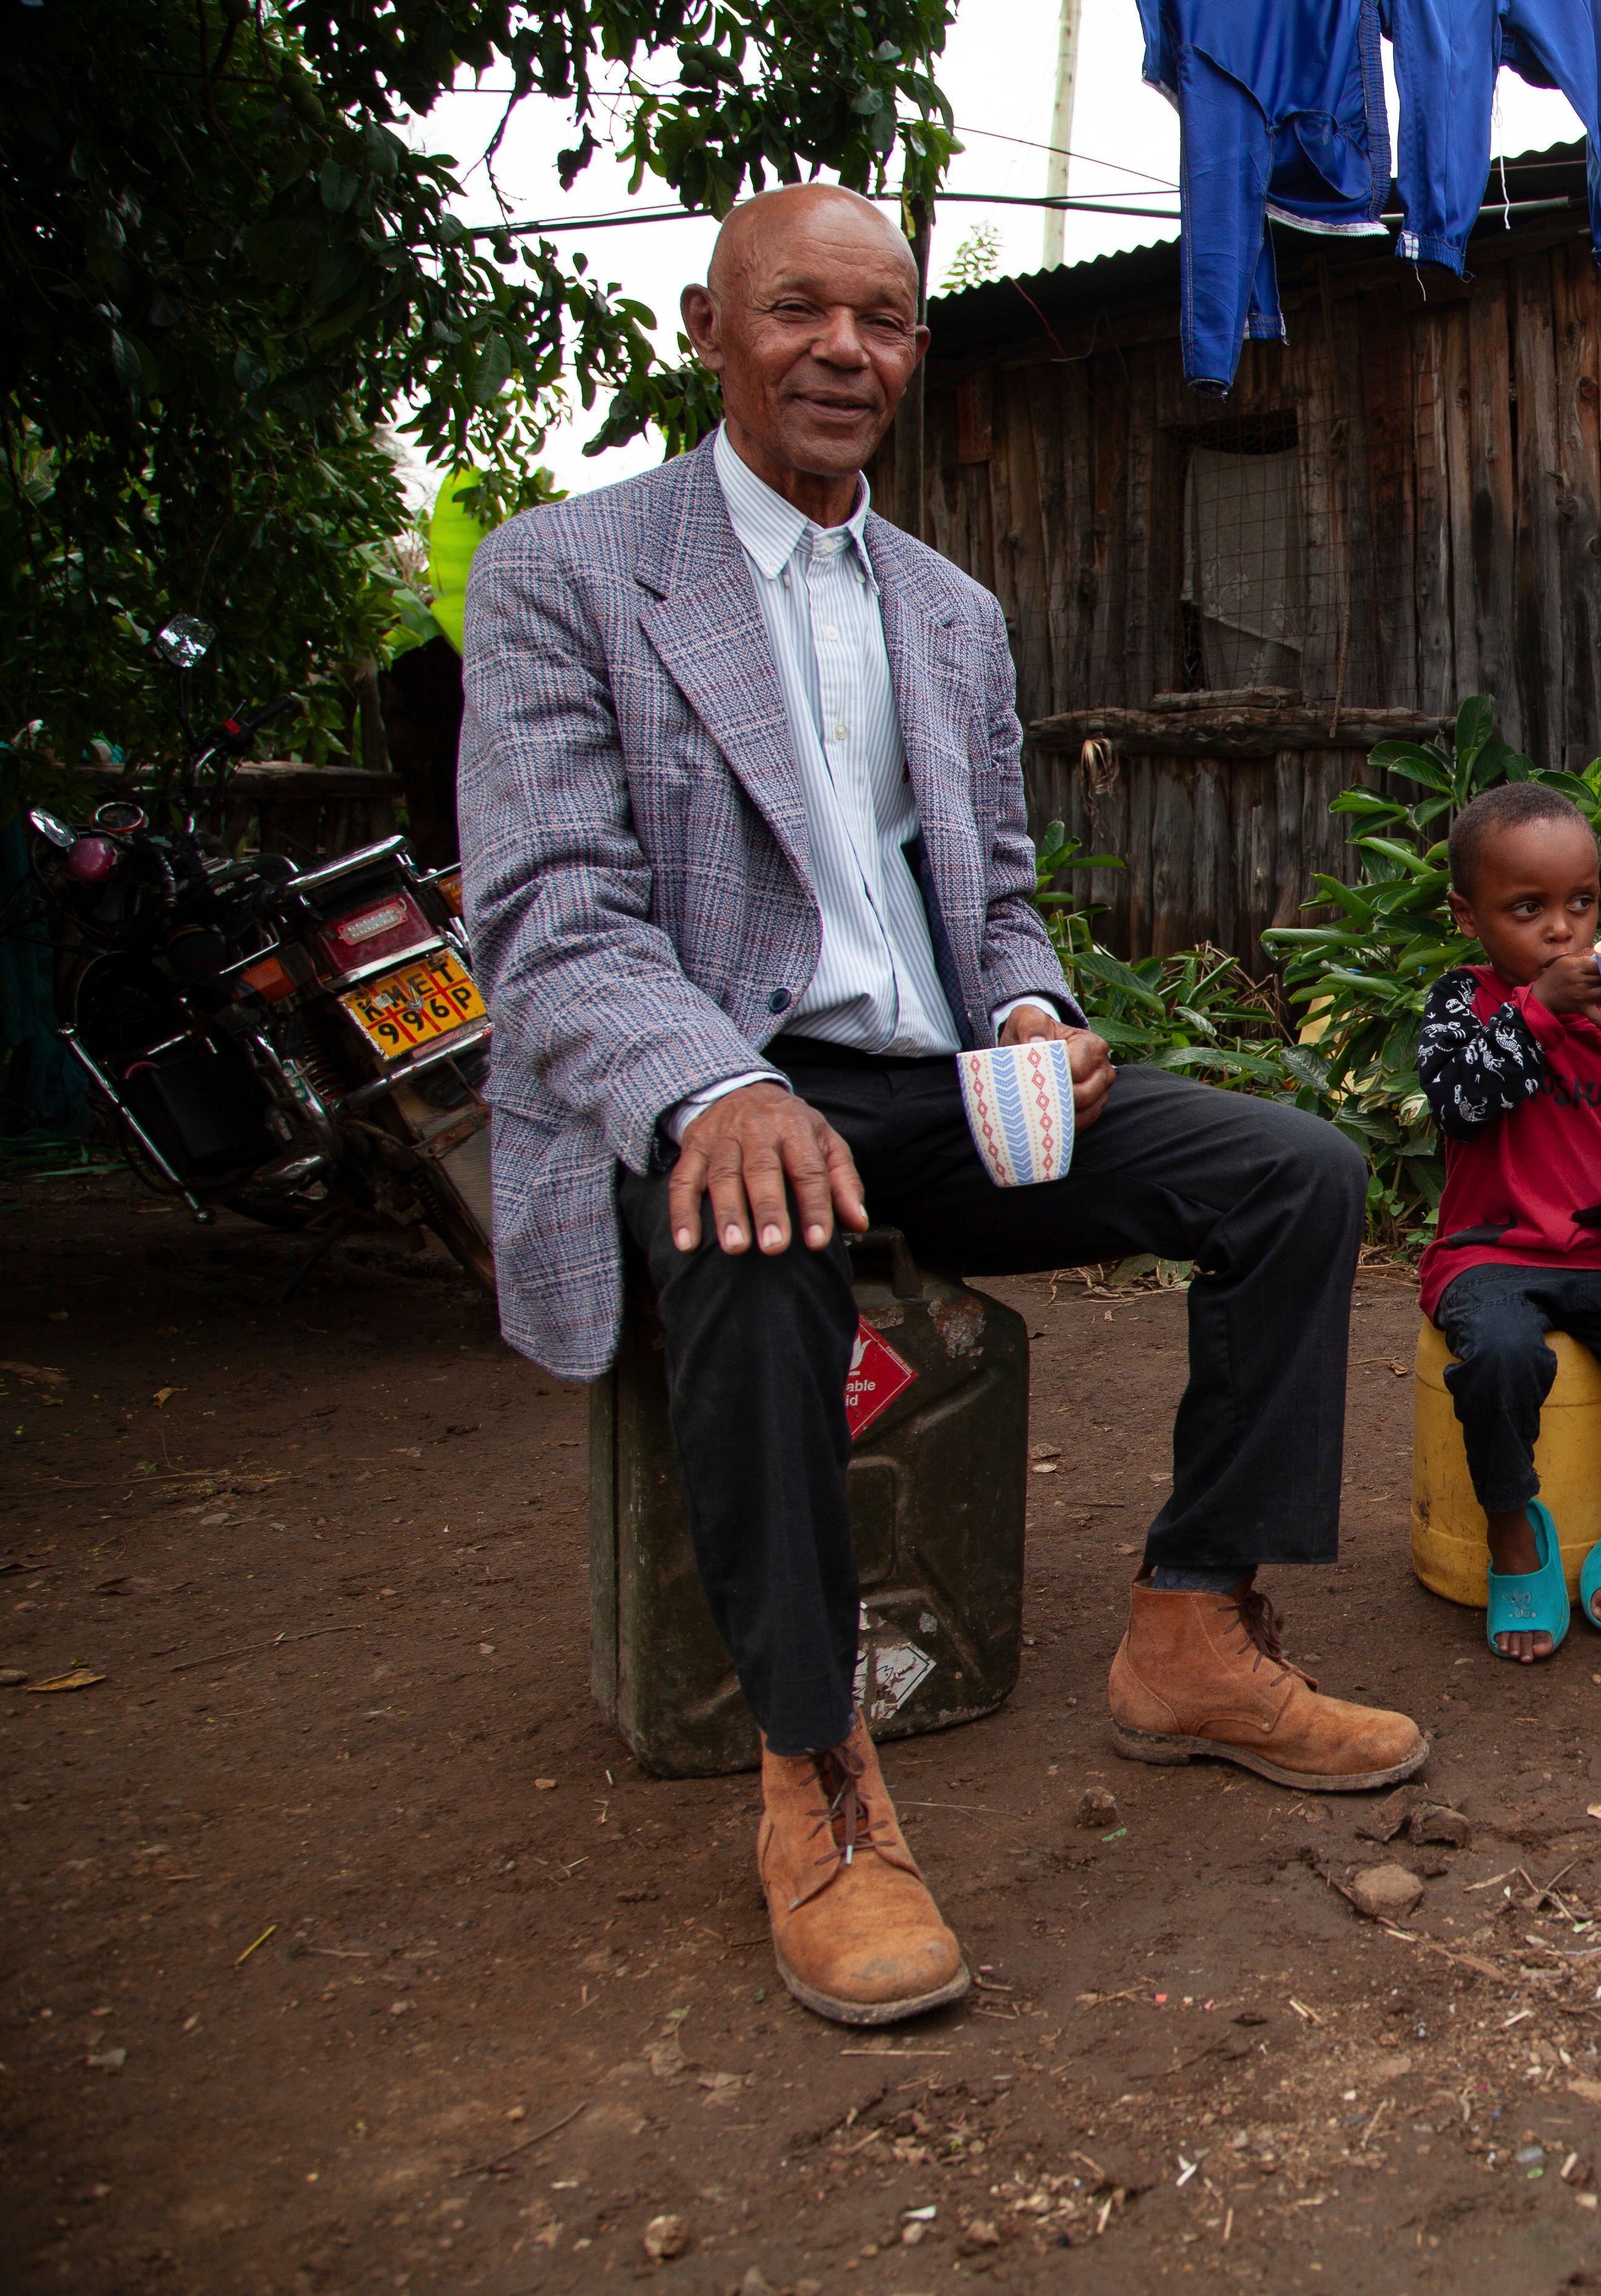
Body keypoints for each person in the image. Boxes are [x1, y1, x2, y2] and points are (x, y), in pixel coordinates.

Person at [458, 186, 1426, 2031]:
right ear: (707, 327)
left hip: (931, 1083)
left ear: (914, 348)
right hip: (716, 1071)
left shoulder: (950, 609)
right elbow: (549, 914)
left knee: (1294, 1174)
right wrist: (717, 1093)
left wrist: (1038, 1010)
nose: (844, 349)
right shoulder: (568, 573)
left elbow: (986, 893)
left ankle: (1193, 1631)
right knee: (759, 1220)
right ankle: (818, 1776)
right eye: (798, 311)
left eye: (884, 319)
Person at [1415, 782, 1601, 1662]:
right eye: (1529, 908)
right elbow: (1460, 1103)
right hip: (1492, 1253)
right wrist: (1541, 1011)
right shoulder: (1461, 1003)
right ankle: (1513, 1529)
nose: (1564, 930)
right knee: (1504, 1358)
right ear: (1469, 917)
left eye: (1580, 903)